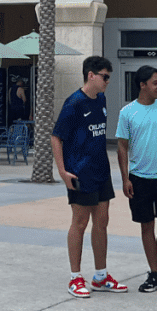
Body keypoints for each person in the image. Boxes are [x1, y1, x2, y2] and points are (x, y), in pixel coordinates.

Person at [51, 56, 127, 298]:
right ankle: (75, 277)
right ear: (91, 75)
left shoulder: (101, 99)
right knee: (80, 222)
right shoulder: (74, 103)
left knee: (102, 222)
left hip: (101, 170)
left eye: (109, 77)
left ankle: (101, 276)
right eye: (105, 77)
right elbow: (56, 137)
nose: (107, 81)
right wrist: (63, 172)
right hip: (79, 172)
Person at [116, 65, 157, 293]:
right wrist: (125, 179)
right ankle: (156, 273)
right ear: (142, 85)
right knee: (146, 225)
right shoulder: (127, 113)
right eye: (155, 83)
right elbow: (122, 147)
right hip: (139, 178)